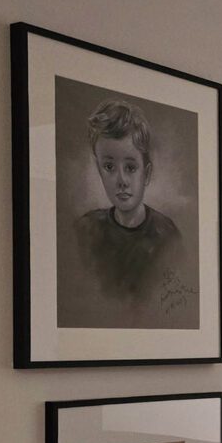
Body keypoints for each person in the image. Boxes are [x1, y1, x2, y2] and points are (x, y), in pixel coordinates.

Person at [71, 99, 186, 320]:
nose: (121, 180)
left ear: (147, 173)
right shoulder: (85, 230)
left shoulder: (167, 235)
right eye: (109, 167)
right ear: (99, 170)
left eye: (131, 167)